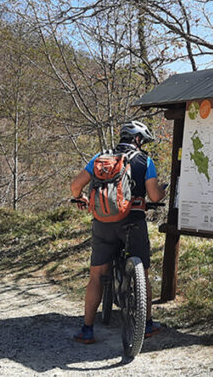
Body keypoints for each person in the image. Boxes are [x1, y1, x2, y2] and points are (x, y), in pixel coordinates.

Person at [70, 120, 166, 344]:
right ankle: (148, 324)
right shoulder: (145, 160)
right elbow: (153, 197)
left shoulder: (100, 158)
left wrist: (81, 198)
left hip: (103, 222)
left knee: (95, 276)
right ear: (138, 140)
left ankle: (87, 329)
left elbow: (76, 186)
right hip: (133, 222)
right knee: (142, 273)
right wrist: (161, 192)